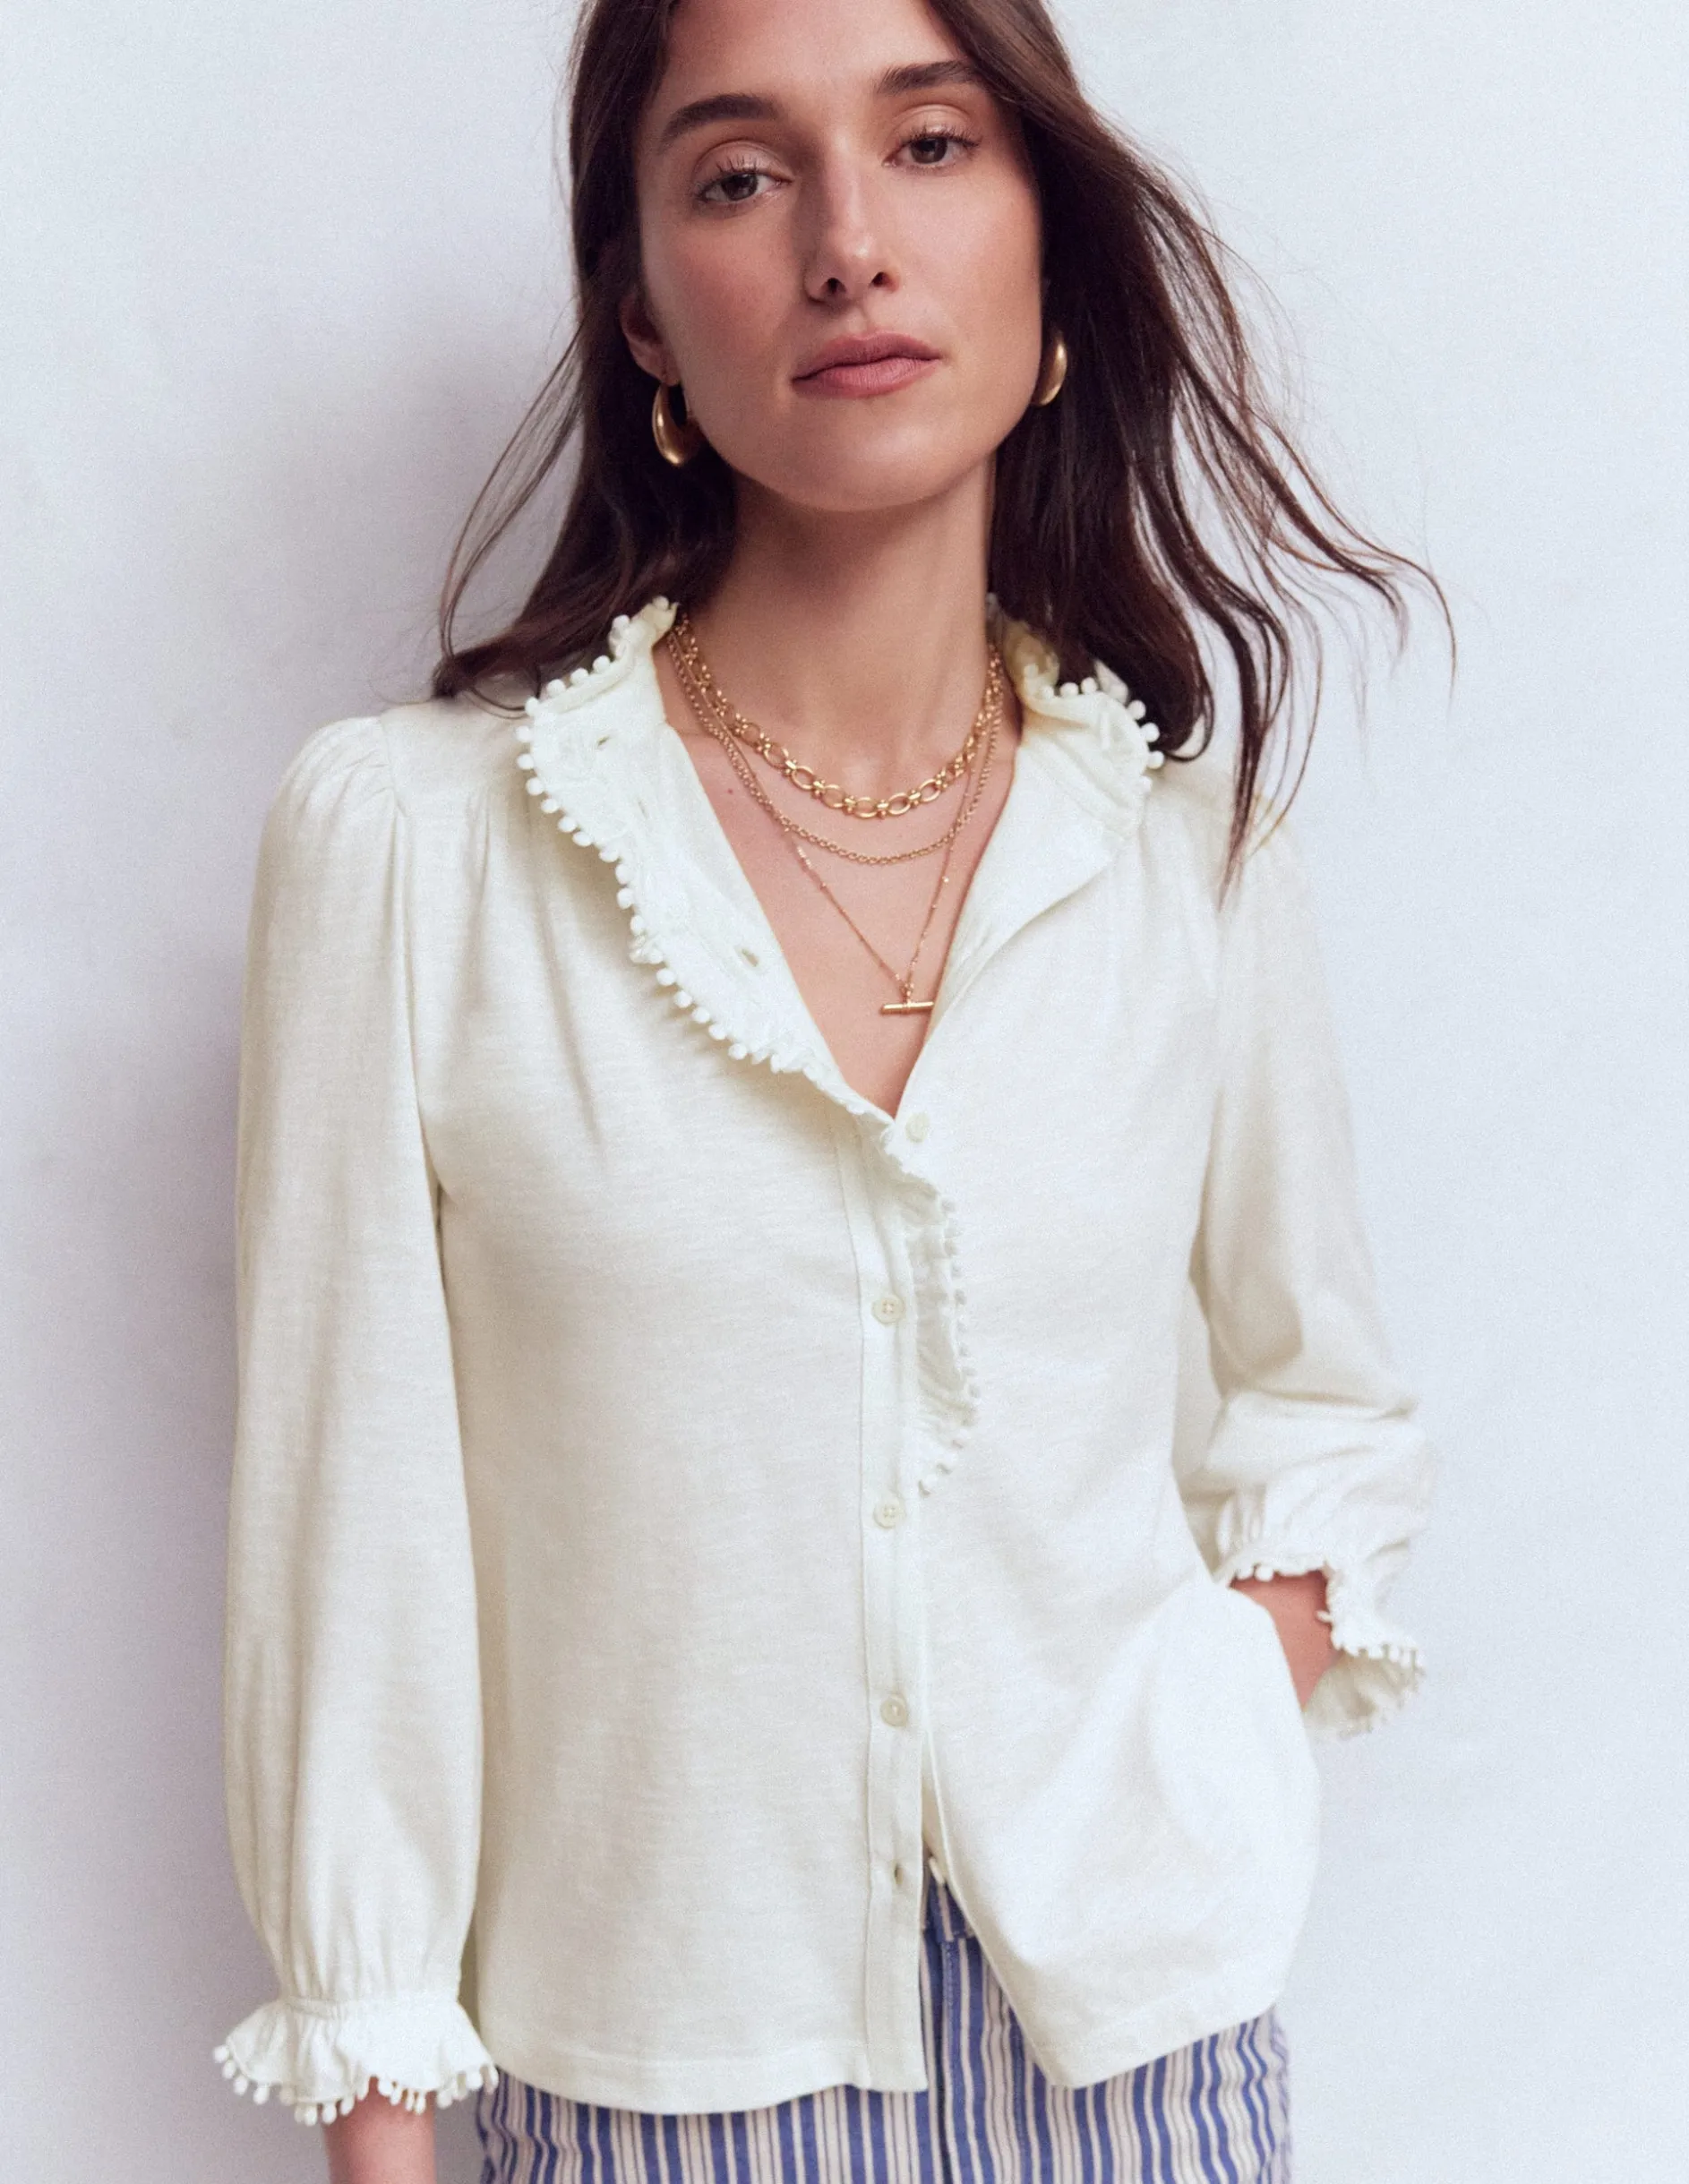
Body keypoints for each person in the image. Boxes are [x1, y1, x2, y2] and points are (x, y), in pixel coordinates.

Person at [215, 0, 1440, 2178]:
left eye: (932, 145)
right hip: (652, 2080)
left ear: (1050, 262)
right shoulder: (416, 850)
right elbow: (352, 1552)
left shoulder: (1187, 852)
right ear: (646, 321)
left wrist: (1195, 1714)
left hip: (1136, 2062)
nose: (848, 244)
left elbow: (1318, 1396)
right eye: (740, 175)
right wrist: (380, 2116)